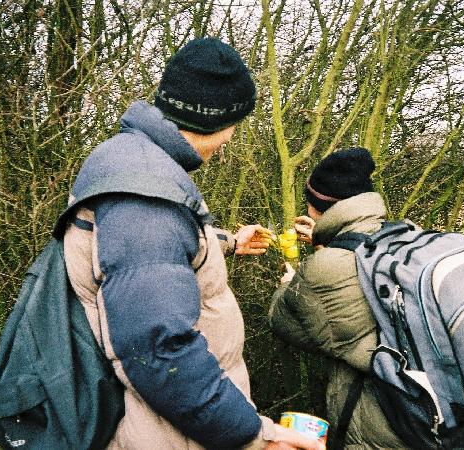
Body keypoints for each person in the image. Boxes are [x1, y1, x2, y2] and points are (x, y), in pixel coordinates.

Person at [61, 37, 321, 450]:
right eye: (234, 126)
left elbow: (153, 253)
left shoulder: (136, 166)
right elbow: (161, 351)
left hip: (174, 423)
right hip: (162, 431)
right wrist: (256, 436)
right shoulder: (144, 196)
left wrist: (227, 242)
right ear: (214, 120)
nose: (230, 140)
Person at [269, 147, 464, 449]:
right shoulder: (410, 237)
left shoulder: (325, 267)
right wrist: (329, 241)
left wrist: (291, 283)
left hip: (404, 435)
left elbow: (284, 322)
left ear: (317, 208)